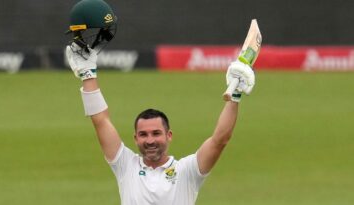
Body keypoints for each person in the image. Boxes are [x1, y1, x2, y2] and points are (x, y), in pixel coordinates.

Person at [65, 1, 255, 205]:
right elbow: (100, 121)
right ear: (135, 138)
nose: (150, 140)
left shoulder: (187, 171)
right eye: (143, 134)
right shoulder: (125, 166)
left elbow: (220, 140)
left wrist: (234, 97)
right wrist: (88, 75)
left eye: (156, 133)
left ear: (169, 135)